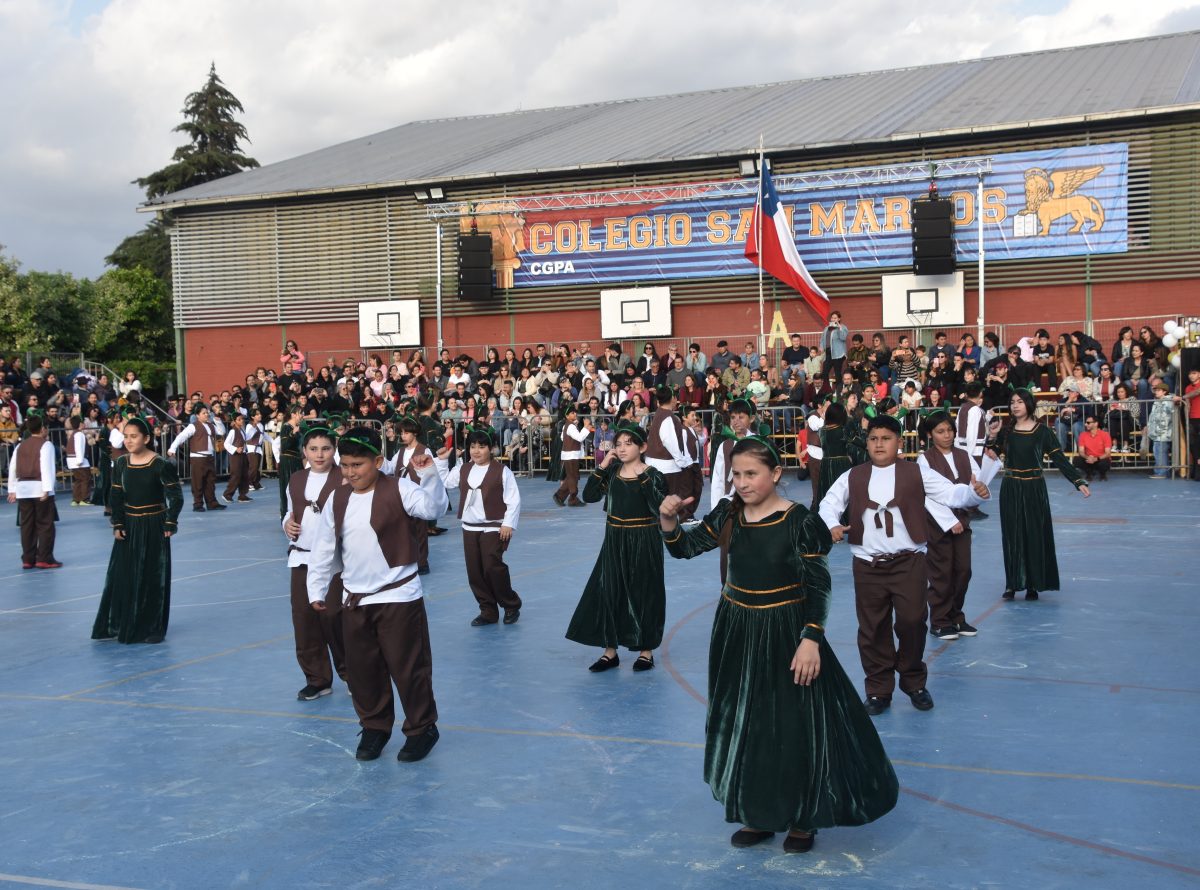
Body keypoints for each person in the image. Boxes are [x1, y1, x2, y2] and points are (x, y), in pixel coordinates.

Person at [659, 436, 897, 853]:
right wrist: (668, 523)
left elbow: (818, 585)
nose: (743, 482)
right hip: (736, 628)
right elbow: (686, 548)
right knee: (746, 721)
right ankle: (758, 812)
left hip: (786, 629)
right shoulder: (729, 512)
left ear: (775, 474)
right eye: (736, 474)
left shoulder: (799, 521)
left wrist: (810, 639)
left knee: (792, 723)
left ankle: (803, 817)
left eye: (751, 474)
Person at [819, 415, 989, 715]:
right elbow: (828, 504)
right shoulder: (853, 475)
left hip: (908, 562)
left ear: (899, 442)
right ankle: (878, 689)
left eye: (885, 438)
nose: (879, 444)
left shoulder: (916, 472)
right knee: (872, 629)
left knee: (912, 622)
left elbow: (951, 493)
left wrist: (974, 492)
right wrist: (832, 523)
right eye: (873, 439)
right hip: (867, 565)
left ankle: (913, 682)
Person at [305, 425, 448, 763]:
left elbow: (434, 510)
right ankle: (374, 726)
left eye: (359, 465)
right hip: (355, 599)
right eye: (346, 465)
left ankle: (422, 728)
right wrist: (317, 587)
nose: (351, 472)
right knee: (363, 669)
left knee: (408, 667)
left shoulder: (400, 489)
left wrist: (428, 474)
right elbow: (324, 547)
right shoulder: (337, 499)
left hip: (399, 597)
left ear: (378, 461)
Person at [565, 422, 668, 673]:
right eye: (618, 444)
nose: (621, 449)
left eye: (628, 443)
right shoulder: (611, 474)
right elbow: (589, 496)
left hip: (644, 540)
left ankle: (646, 651)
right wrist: (602, 466)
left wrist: (642, 475)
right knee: (610, 593)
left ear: (642, 446)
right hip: (614, 540)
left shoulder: (653, 475)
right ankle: (610, 651)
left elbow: (658, 506)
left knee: (645, 593)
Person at [90, 417, 183, 644]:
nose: (129, 441)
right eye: (126, 436)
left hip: (154, 525)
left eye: (134, 436)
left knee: (153, 576)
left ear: (147, 438)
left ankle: (151, 627)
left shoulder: (160, 464)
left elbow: (176, 497)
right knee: (122, 574)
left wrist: (170, 522)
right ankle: (119, 622)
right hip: (129, 526)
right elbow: (117, 495)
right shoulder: (121, 463)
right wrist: (118, 523)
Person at [992, 390, 1090, 601]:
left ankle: (1032, 585)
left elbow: (1060, 459)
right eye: (1012, 402)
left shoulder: (1042, 432)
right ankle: (1012, 583)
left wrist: (1077, 480)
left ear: (1029, 404)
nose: (1015, 405)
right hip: (1010, 488)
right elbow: (991, 453)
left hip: (1034, 488)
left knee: (1034, 535)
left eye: (1019, 402)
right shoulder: (1007, 431)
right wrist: (992, 436)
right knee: (1012, 537)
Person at [282, 422, 348, 700]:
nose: (319, 454)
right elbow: (290, 511)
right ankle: (318, 678)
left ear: (335, 450)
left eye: (325, 448)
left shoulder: (344, 478)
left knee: (336, 620)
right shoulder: (296, 479)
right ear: (304, 452)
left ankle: (354, 675)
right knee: (305, 622)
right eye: (313, 449)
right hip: (301, 559)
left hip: (334, 563)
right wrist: (287, 524)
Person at [438, 426, 523, 627]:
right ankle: (488, 610)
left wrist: (508, 524)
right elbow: (446, 482)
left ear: (491, 449)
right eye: (473, 446)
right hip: (469, 526)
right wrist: (442, 461)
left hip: (494, 526)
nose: (476, 451)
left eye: (482, 447)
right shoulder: (463, 469)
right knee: (475, 571)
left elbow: (513, 500)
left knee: (492, 566)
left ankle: (511, 604)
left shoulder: (502, 471)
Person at [917, 412, 987, 641]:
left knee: (963, 570)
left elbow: (974, 484)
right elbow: (926, 496)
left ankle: (956, 616)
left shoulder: (964, 455)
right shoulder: (924, 459)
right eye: (940, 431)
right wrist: (949, 521)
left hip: (963, 520)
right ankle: (939, 620)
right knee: (941, 573)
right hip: (937, 524)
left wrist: (990, 462)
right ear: (930, 435)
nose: (947, 435)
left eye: (949, 430)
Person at [7, 413, 61, 569]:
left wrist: (12, 489)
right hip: (39, 488)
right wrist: (47, 488)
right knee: (45, 524)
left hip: (23, 488)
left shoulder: (20, 445)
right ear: (43, 428)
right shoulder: (46, 445)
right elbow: (47, 467)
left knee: (27, 525)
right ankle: (44, 558)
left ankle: (28, 558)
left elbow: (13, 468)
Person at [383, 416, 434, 574]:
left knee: (420, 529)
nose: (403, 435)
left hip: (418, 494)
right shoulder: (400, 451)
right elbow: (390, 467)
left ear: (414, 433)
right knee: (404, 528)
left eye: (406, 432)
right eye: (402, 433)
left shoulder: (424, 450)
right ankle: (406, 559)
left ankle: (422, 562)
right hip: (401, 494)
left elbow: (431, 472)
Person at [167, 405, 227, 512]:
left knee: (210, 482)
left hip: (210, 456)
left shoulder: (211, 425)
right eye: (204, 413)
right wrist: (172, 448)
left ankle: (212, 503)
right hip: (198, 457)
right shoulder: (193, 426)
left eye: (207, 412)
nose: (207, 414)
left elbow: (221, 432)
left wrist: (218, 421)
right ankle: (197, 504)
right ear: (197, 415)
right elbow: (181, 437)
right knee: (198, 482)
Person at [643, 385, 692, 503]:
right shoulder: (668, 417)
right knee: (669, 504)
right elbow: (669, 442)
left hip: (655, 464)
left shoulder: (659, 413)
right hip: (667, 468)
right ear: (673, 399)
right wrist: (682, 462)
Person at [552, 404, 591, 508]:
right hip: (571, 455)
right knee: (572, 477)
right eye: (572, 413)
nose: (575, 414)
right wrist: (586, 427)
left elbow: (562, 438)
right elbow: (579, 438)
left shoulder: (567, 426)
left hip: (569, 454)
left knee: (572, 477)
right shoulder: (571, 426)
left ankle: (567, 497)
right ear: (567, 416)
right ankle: (567, 497)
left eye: (575, 412)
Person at [274, 405, 305, 519]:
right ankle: (286, 517)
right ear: (293, 414)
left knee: (300, 488)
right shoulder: (286, 427)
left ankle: (299, 515)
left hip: (297, 461)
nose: (302, 415)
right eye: (300, 413)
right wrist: (293, 433)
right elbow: (285, 446)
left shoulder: (299, 427)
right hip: (288, 461)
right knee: (287, 488)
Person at [1146, 380, 1177, 479]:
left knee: (1160, 452)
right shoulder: (1157, 401)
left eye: (1158, 390)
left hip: (1163, 432)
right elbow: (1152, 416)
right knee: (1158, 452)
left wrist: (1173, 398)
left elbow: (1170, 413)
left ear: (1164, 391)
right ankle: (1161, 472)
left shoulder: (1168, 401)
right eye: (1156, 390)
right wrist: (1149, 426)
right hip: (1157, 432)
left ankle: (1161, 473)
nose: (1156, 392)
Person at [221, 412, 253, 503]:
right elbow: (226, 444)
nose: (241, 421)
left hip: (243, 455)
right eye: (239, 419)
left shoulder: (242, 430)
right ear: (234, 421)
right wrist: (235, 449)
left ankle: (242, 495)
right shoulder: (232, 431)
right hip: (235, 456)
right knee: (236, 476)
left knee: (244, 475)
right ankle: (227, 494)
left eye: (242, 419)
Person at [1072, 415, 1112, 482]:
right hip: (1088, 459)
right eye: (1086, 422)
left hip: (1100, 459)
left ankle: (1102, 474)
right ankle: (1088, 473)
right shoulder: (1083, 435)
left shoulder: (1105, 435)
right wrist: (1088, 457)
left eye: (1088, 423)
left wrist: (1096, 459)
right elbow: (1081, 451)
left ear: (1096, 424)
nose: (1085, 424)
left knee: (1105, 462)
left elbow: (1107, 453)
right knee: (1076, 460)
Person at [64, 414, 92, 506]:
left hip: (72, 460)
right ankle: (85, 499)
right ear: (80, 424)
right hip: (79, 460)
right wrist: (80, 460)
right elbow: (79, 448)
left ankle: (76, 500)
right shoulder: (79, 434)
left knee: (78, 480)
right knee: (85, 479)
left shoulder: (74, 433)